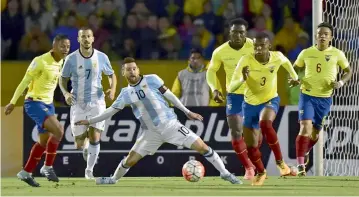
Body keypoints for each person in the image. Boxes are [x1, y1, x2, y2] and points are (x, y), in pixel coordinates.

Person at [75, 57, 242, 185]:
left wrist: (187, 111)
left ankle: (225, 173)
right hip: (150, 133)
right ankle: (113, 179)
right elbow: (110, 112)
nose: (132, 72)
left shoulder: (152, 79)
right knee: (129, 160)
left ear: (138, 69)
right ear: (123, 73)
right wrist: (90, 121)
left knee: (203, 147)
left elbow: (170, 97)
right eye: (128, 70)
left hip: (171, 125)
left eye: (134, 68)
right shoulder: (125, 94)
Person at [228, 33, 299, 186]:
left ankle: (281, 163)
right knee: (251, 146)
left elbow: (287, 63)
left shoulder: (277, 57)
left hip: (270, 99)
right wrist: (242, 79)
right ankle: (261, 171)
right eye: (256, 46)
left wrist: (294, 77)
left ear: (269, 46)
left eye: (262, 45)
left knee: (265, 123)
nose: (258, 49)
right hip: (249, 105)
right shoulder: (246, 60)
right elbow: (230, 87)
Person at [4, 34, 71, 187]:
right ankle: (47, 167)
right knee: (59, 130)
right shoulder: (40, 61)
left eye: (67, 46)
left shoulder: (62, 62)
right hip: (34, 102)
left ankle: (26, 172)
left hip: (48, 104)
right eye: (62, 46)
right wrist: (13, 102)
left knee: (43, 142)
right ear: (54, 46)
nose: (65, 49)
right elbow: (25, 81)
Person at [293, 22, 353, 176]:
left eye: (326, 34)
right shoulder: (306, 52)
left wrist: (341, 82)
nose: (322, 36)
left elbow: (348, 71)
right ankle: (300, 165)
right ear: (316, 36)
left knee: (314, 133)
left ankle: (305, 150)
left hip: (325, 98)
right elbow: (294, 68)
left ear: (331, 37)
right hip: (307, 95)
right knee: (305, 126)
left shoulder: (337, 53)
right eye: (320, 33)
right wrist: (294, 78)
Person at [58, 27, 117, 179]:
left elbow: (111, 75)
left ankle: (89, 170)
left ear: (92, 38)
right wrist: (65, 93)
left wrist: (112, 89)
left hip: (97, 101)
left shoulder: (101, 57)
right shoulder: (71, 59)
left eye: (88, 36)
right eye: (82, 36)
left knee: (95, 136)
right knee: (78, 142)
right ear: (78, 39)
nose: (85, 39)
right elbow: (62, 78)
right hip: (78, 103)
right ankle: (85, 147)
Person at [206, 18, 256, 180]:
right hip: (234, 95)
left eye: (241, 32)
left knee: (255, 134)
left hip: (254, 94)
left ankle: (257, 164)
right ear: (229, 32)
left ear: (246, 33)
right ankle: (248, 168)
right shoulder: (220, 51)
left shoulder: (254, 46)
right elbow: (211, 71)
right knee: (235, 132)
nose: (238, 35)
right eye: (235, 32)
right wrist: (215, 89)